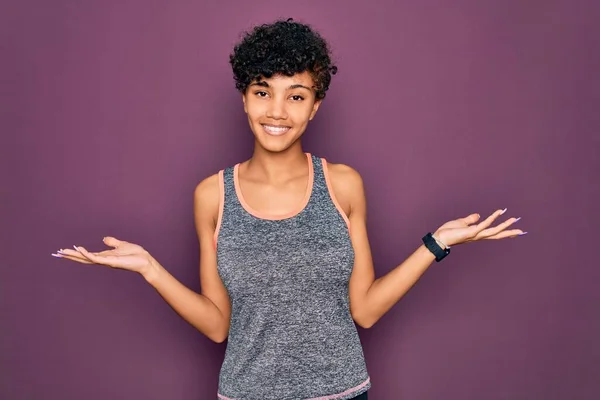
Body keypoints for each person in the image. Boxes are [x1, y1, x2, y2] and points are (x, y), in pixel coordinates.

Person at [52, 18, 526, 400]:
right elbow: (218, 325)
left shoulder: (343, 185)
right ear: (244, 97)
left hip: (341, 393)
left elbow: (365, 310)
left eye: (295, 96)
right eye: (263, 92)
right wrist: (149, 268)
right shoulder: (211, 195)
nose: (277, 111)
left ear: (315, 106)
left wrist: (436, 243)